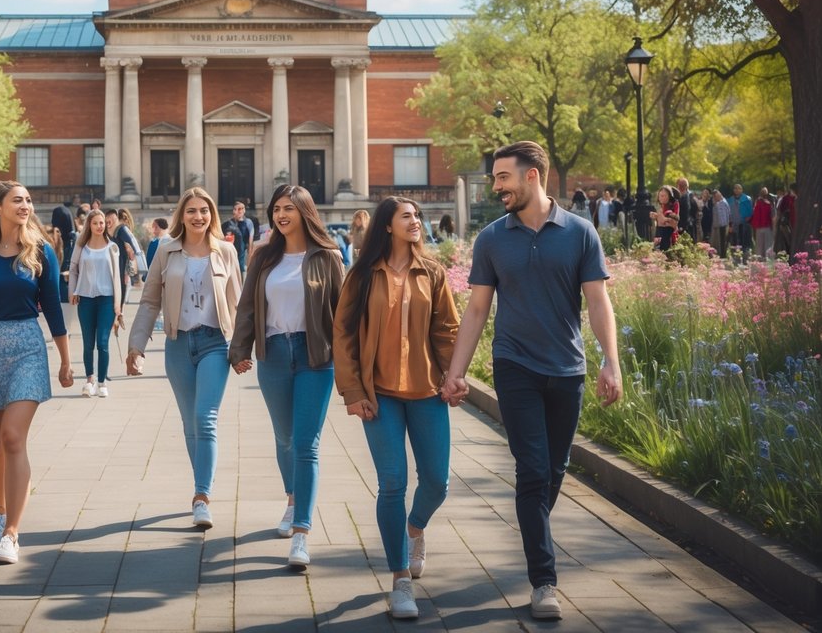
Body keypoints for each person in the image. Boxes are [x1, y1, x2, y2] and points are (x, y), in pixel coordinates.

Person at [441, 141, 621, 622]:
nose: (496, 186)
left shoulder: (580, 234)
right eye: (495, 178)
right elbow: (476, 309)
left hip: (567, 369)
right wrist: (456, 371)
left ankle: (533, 530)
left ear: (532, 177)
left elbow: (599, 301)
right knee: (533, 470)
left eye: (503, 177)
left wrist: (611, 361)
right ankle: (544, 580)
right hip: (514, 365)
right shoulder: (492, 239)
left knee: (555, 467)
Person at [331, 196, 460, 619]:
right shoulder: (363, 275)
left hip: (426, 393)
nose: (416, 221)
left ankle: (415, 528)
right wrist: (353, 392)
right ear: (387, 225)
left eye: (418, 216)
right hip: (379, 396)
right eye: (407, 216)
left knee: (437, 482)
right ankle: (400, 580)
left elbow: (447, 331)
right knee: (392, 485)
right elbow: (344, 334)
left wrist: (454, 376)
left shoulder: (432, 272)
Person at [229, 185, 344, 570]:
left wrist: (352, 363)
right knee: (285, 437)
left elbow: (342, 313)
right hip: (274, 354)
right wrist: (239, 349)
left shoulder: (327, 256)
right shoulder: (264, 256)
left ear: (304, 212)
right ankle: (293, 496)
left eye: (289, 209)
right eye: (277, 208)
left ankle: (301, 533)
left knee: (307, 444)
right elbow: (247, 305)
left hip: (316, 356)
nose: (281, 215)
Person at [0, 180, 72, 565]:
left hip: (27, 345)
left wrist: (66, 361)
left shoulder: (41, 252)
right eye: (17, 200)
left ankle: (12, 533)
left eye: (28, 200)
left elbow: (54, 310)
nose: (26, 205)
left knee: (11, 438)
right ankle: (1, 509)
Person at [127, 187, 241, 530]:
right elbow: (149, 301)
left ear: (212, 215)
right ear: (182, 215)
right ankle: (201, 485)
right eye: (191, 211)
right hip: (178, 344)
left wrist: (242, 348)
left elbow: (239, 302)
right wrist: (136, 345)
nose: (198, 217)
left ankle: (201, 496)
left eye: (204, 211)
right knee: (190, 424)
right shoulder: (166, 251)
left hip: (214, 344)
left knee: (205, 418)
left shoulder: (226, 252)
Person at [69, 209, 124, 399]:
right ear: (89, 226)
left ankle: (102, 382)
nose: (100, 226)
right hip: (85, 298)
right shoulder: (81, 247)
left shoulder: (112, 247)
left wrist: (118, 305)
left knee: (102, 342)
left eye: (102, 223)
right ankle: (89, 381)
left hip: (107, 299)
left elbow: (117, 277)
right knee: (87, 343)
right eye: (96, 223)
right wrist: (73, 291)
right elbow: (73, 269)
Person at [222, 200, 254, 273]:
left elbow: (250, 243)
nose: (240, 211)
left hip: (242, 258)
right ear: (234, 210)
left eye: (242, 208)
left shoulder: (248, 223)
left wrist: (250, 264)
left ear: (245, 210)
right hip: (230, 257)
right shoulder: (228, 224)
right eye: (238, 209)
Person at [117, 207, 146, 284]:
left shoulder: (121, 230)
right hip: (127, 270)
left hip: (124, 270)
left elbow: (131, 252)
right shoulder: (128, 232)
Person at [729, 184, 753, 264]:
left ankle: (746, 260)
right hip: (734, 225)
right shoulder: (730, 200)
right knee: (735, 243)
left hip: (745, 225)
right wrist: (730, 225)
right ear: (733, 190)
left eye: (739, 188)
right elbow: (729, 213)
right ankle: (736, 260)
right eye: (735, 188)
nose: (737, 190)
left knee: (745, 243)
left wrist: (746, 220)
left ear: (742, 190)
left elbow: (750, 212)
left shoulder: (747, 199)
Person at [651, 185, 679, 252]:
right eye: (660, 195)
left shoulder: (675, 204)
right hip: (660, 233)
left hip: (669, 234)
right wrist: (656, 216)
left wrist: (663, 218)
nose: (661, 198)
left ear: (669, 196)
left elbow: (673, 222)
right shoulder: (660, 205)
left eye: (663, 196)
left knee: (667, 252)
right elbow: (660, 221)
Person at [752, 187, 775, 260]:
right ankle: (768, 259)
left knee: (759, 244)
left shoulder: (756, 203)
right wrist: (774, 228)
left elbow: (754, 214)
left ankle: (759, 259)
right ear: (767, 194)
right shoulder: (769, 203)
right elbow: (772, 217)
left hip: (758, 227)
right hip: (767, 226)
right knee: (768, 244)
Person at [774, 184, 797, 256]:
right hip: (787, 223)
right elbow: (780, 211)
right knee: (787, 241)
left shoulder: (797, 198)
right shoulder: (786, 198)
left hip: (795, 223)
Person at [709, 189, 730, 260]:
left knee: (722, 242)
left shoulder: (723, 203)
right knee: (719, 242)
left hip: (723, 225)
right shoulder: (717, 203)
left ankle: (723, 257)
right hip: (718, 225)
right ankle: (720, 255)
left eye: (716, 196)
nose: (715, 198)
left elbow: (726, 215)